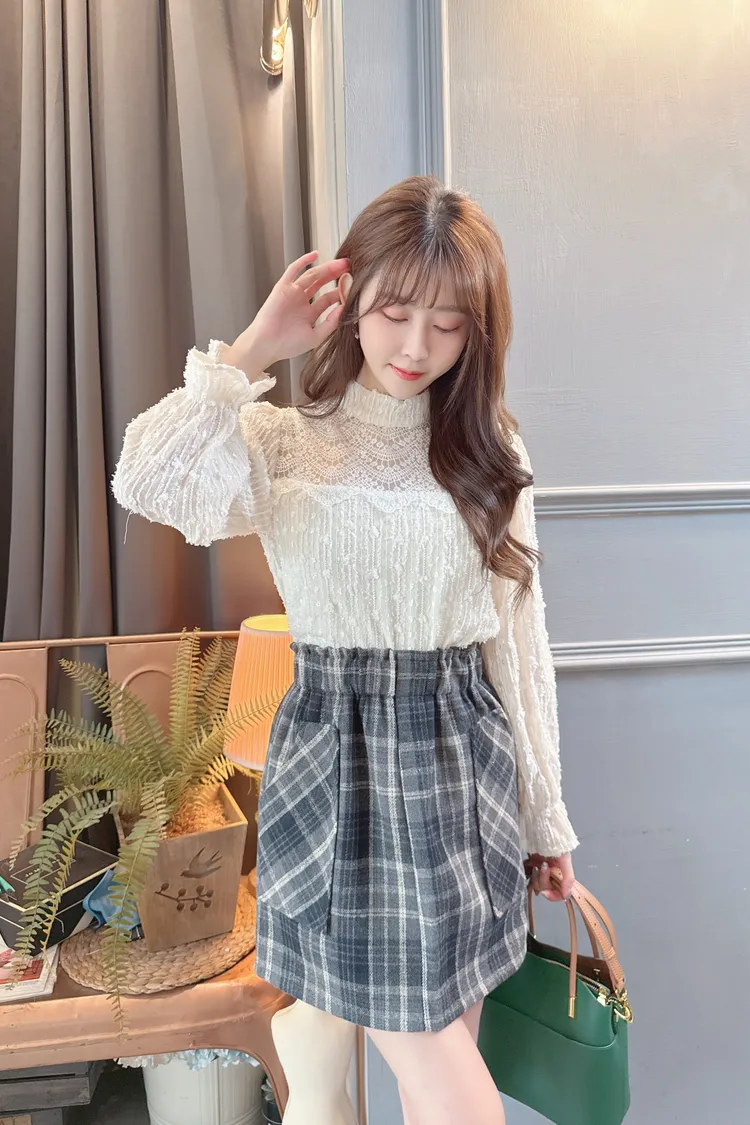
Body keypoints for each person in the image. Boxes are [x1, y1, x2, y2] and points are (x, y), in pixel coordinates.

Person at [112, 176, 579, 1125]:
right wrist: (253, 348)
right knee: (451, 1083)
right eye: (395, 312)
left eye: (448, 324)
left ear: (478, 331)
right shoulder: (285, 441)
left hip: (462, 765)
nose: (415, 347)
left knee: (443, 1050)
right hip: (338, 773)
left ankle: (313, 1050)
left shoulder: (491, 447)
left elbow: (520, 647)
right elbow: (144, 476)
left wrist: (546, 818)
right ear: (351, 298)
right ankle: (310, 1049)